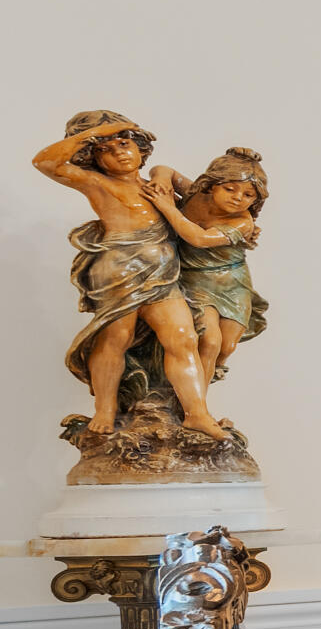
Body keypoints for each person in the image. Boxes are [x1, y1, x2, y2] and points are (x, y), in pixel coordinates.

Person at [31, 112, 222, 439]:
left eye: (125, 143)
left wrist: (166, 173)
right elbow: (45, 162)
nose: (120, 152)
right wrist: (101, 131)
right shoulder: (98, 183)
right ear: (93, 158)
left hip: (163, 272)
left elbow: (208, 204)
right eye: (106, 149)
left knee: (184, 337)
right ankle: (105, 409)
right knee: (116, 337)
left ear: (141, 147)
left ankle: (197, 413)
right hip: (120, 271)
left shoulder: (157, 186)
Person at [148, 146, 268, 384]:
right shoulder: (195, 194)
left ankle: (201, 381)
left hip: (233, 284)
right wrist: (161, 178)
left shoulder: (242, 222)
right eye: (230, 189)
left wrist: (168, 207)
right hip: (196, 282)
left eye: (248, 195)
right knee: (210, 341)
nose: (237, 198)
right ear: (213, 184)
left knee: (227, 346)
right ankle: (196, 407)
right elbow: (163, 169)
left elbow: (199, 238)